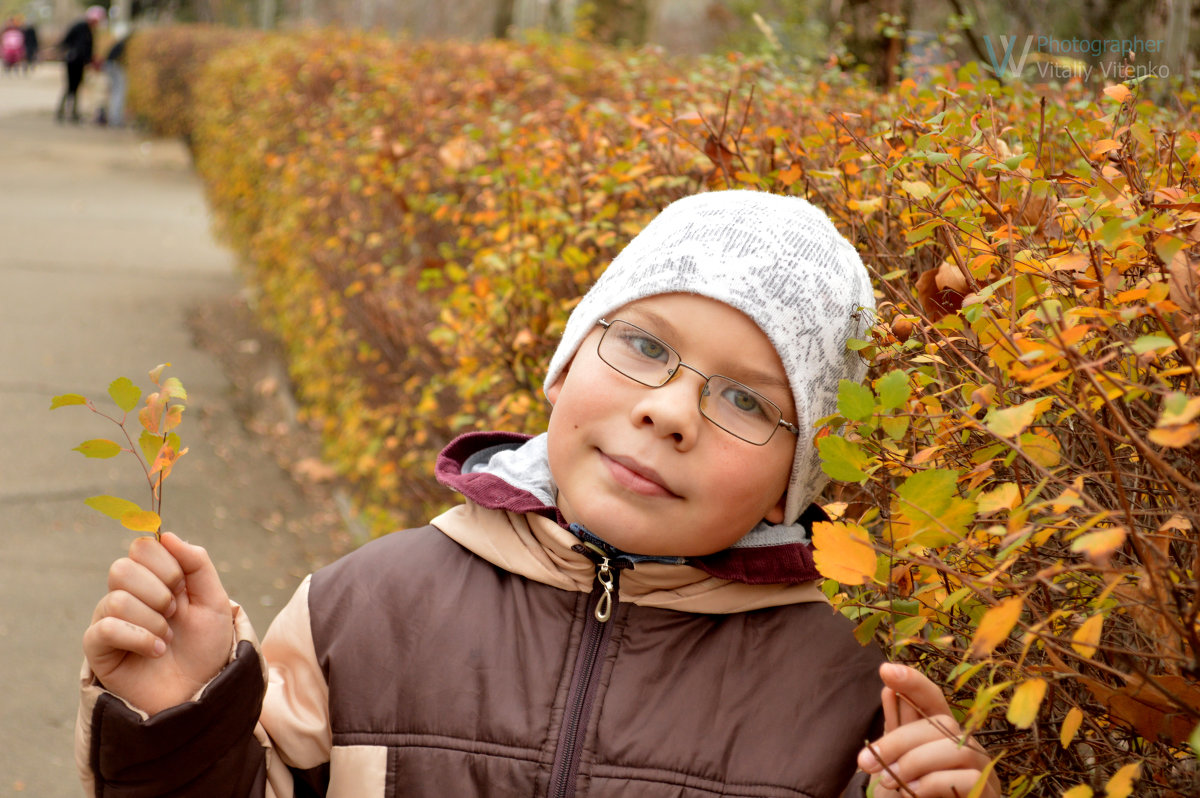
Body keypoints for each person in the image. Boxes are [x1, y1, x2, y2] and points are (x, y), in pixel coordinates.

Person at [76, 190, 1000, 797]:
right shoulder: (364, 608)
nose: (670, 411)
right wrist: (177, 721)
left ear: (788, 490)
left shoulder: (846, 692)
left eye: (747, 400)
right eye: (642, 345)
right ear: (562, 369)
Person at [55, 5, 105, 124]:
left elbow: (89, 48)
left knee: (77, 87)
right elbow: (66, 41)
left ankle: (73, 112)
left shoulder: (89, 30)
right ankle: (62, 111)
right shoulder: (80, 27)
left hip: (81, 62)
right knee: (70, 86)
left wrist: (90, 60)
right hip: (73, 61)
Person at [103, 35, 129, 127]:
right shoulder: (125, 44)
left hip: (110, 65)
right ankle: (115, 119)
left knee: (115, 92)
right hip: (114, 66)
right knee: (119, 92)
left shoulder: (120, 43)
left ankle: (114, 118)